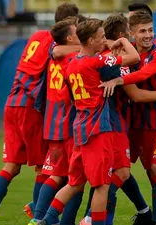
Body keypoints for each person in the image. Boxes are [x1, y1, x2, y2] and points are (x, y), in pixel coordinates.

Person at [0, 3, 80, 225]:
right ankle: (39, 217)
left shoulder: (36, 36)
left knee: (11, 166)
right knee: (46, 168)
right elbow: (58, 51)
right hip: (30, 108)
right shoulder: (57, 42)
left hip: (12, 102)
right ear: (70, 25)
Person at [81, 13, 156, 225]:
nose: (148, 35)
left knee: (154, 169)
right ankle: (144, 214)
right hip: (136, 124)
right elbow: (139, 90)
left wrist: (120, 79)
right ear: (130, 34)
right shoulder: (122, 56)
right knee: (140, 173)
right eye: (141, 31)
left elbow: (147, 74)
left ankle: (155, 220)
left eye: (150, 30)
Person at [36, 19, 140, 225]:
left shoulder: (72, 65)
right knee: (101, 185)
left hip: (80, 130)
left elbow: (74, 99)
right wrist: (121, 40)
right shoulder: (97, 62)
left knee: (74, 183)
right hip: (98, 131)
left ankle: (45, 221)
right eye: (102, 37)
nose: (105, 41)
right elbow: (134, 57)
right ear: (91, 40)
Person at [29, 18, 84, 225]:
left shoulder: (56, 53)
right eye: (77, 29)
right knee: (75, 179)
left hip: (52, 124)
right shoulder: (72, 56)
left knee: (54, 174)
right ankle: (63, 221)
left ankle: (37, 218)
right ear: (70, 37)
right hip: (68, 125)